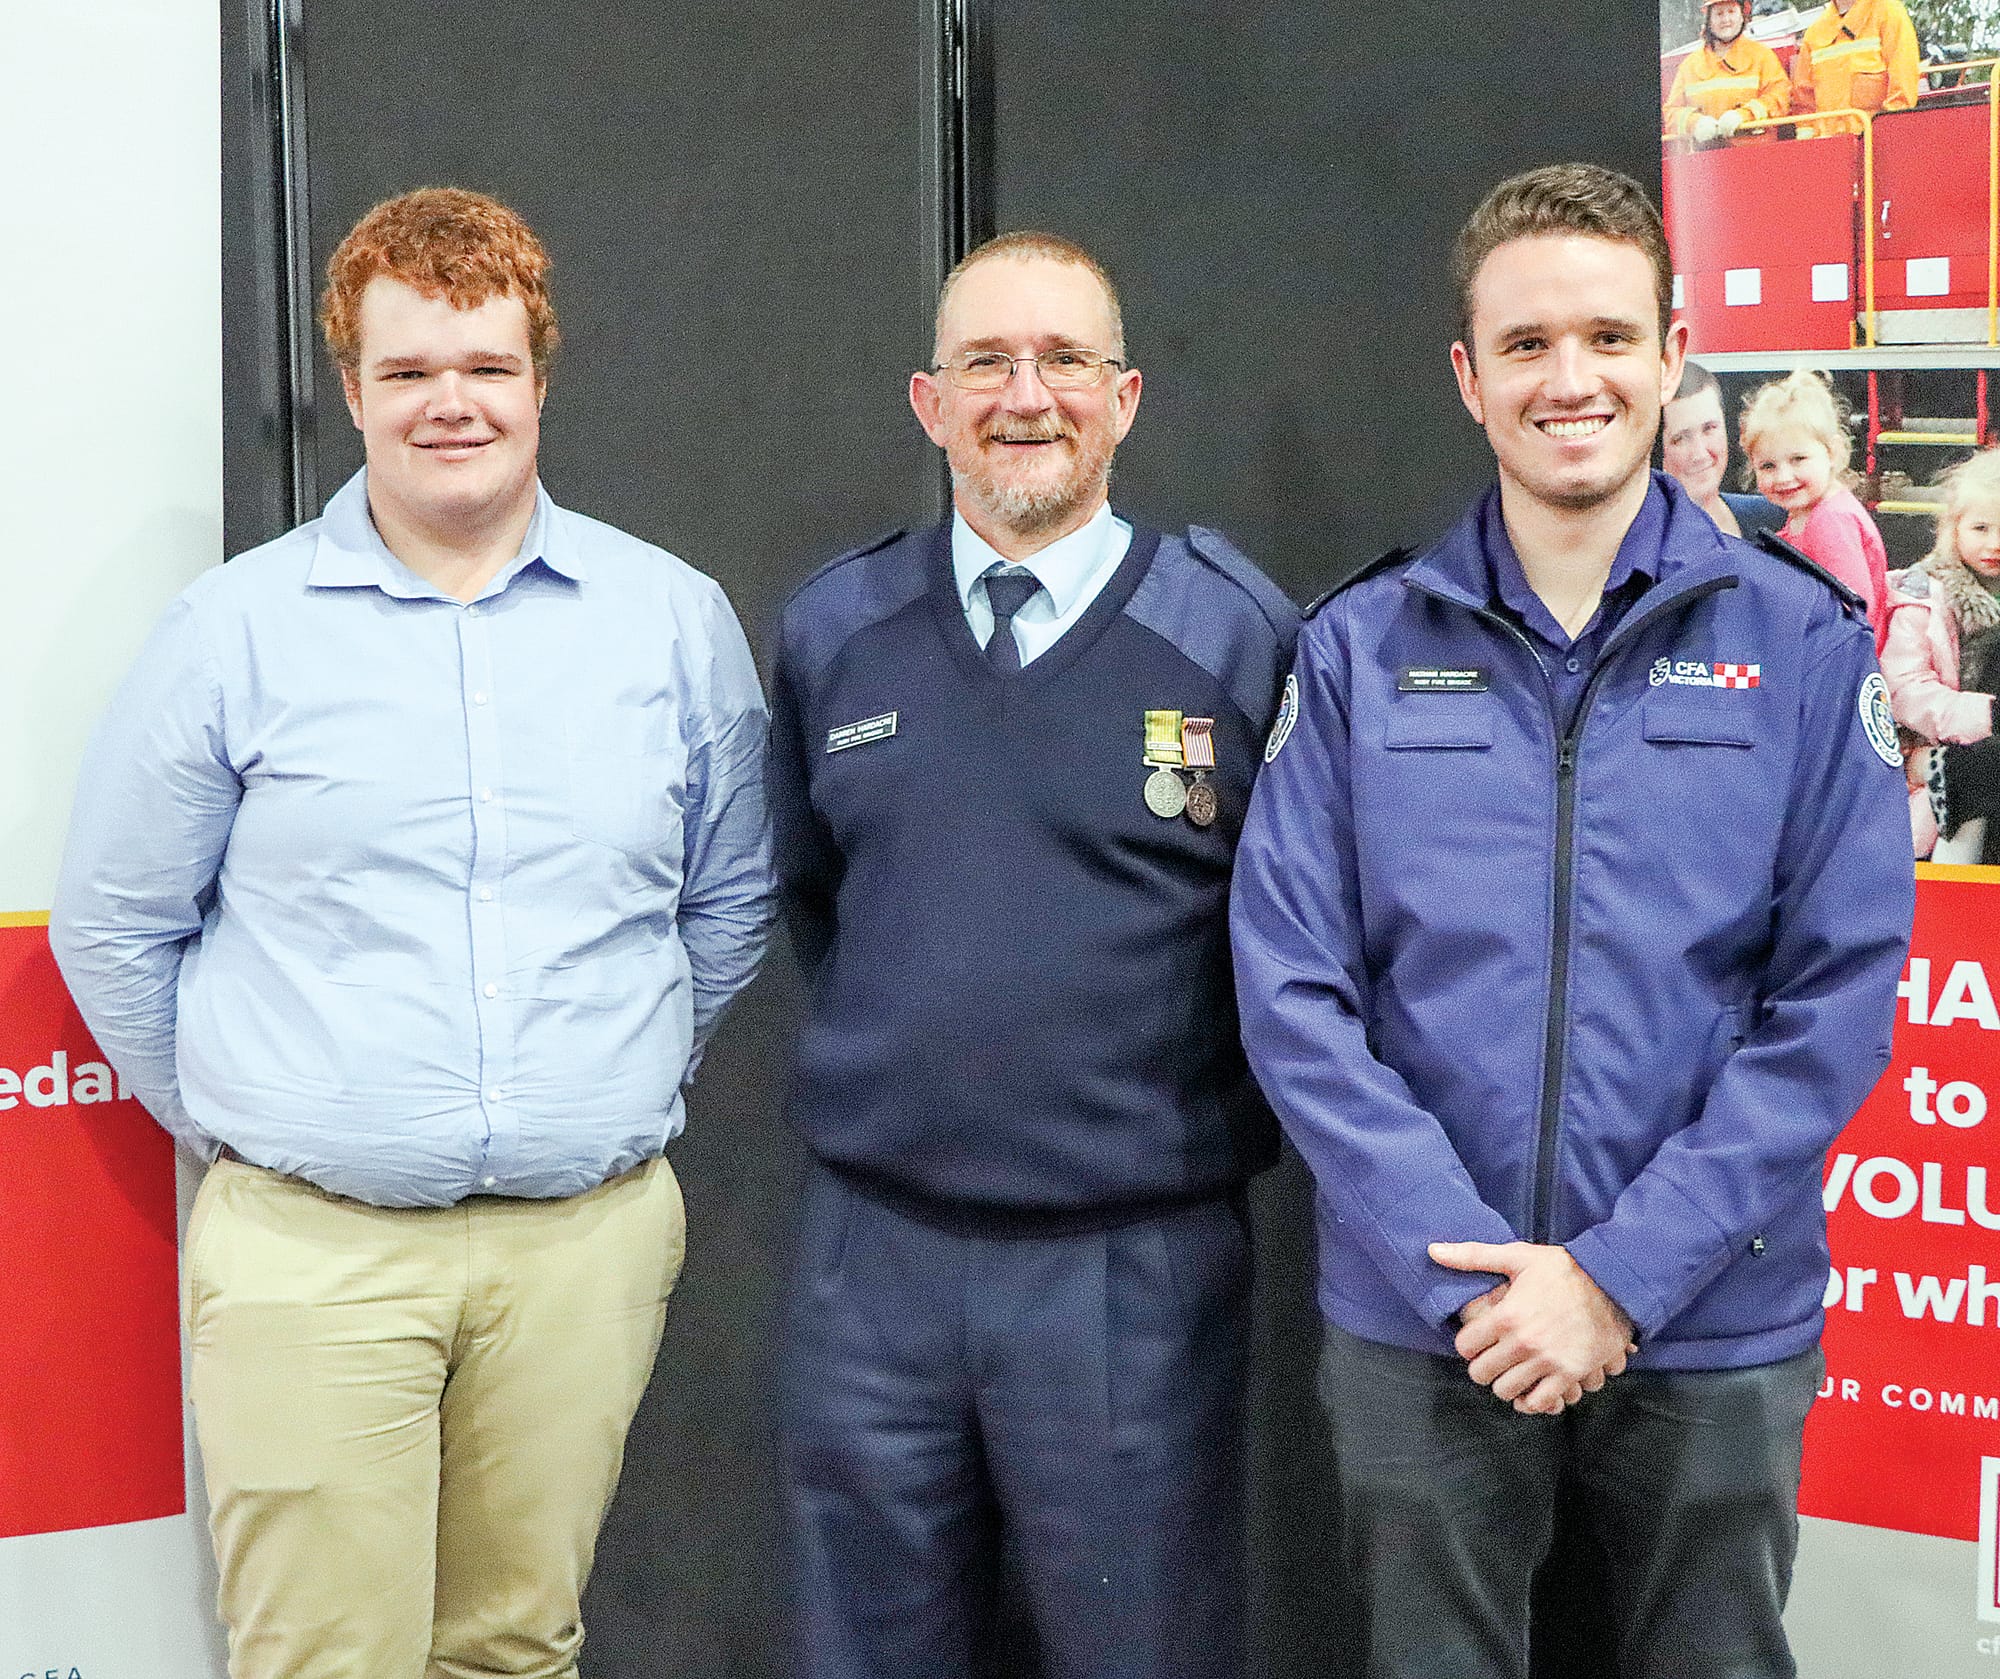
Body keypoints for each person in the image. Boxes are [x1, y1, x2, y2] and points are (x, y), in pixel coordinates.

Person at [50, 187, 773, 1677]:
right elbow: (117, 923)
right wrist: (261, 1124)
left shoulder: (669, 621)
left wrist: (605, 1069)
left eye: (487, 368)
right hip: (315, 1251)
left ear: (540, 379)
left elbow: (729, 898)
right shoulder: (234, 632)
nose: (454, 403)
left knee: (516, 1647)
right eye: (411, 371)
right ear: (353, 388)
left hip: (583, 1246)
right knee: (322, 1656)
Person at [1230, 163, 1914, 1679]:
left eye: (1609, 335)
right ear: (1470, 378)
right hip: (1432, 1331)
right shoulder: (1359, 648)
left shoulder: (1799, 643)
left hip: (1711, 1316)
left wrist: (1617, 1274)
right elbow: (1291, 987)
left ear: (1674, 356)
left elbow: (1838, 996)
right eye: (1528, 344)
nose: (1572, 378)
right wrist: (1469, 1277)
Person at [768, 230, 1298, 1679]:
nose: (1027, 394)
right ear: (929, 403)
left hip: (1130, 1268)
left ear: (1124, 398)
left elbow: (1298, 943)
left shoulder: (1238, 638)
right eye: (985, 361)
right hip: (874, 1266)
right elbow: (820, 900)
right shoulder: (837, 629)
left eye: (1064, 359)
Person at [1883, 446, 2000, 858]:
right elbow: (1905, 688)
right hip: (1933, 753)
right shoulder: (1925, 594)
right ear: (1954, 528)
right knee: (1962, 815)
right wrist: (1985, 715)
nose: (1994, 544)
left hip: (1986, 751)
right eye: (1981, 528)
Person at [1742, 368, 1891, 648]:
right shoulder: (1807, 511)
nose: (1784, 477)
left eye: (1798, 459)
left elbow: (1855, 610)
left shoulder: (1829, 520)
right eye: (1768, 466)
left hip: (1839, 666)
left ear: (1832, 453)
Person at [1661, 360, 1781, 537]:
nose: (1700, 454)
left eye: (1709, 428)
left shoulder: (1775, 517)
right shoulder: (1646, 547)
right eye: (1681, 438)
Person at [1663, 0, 1791, 144]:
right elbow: (1671, 113)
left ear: (1742, 16)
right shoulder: (1690, 65)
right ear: (1709, 20)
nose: (1726, 20)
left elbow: (1780, 97)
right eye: (1719, 14)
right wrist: (1694, 123)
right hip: (1706, 160)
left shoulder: (1763, 57)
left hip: (1756, 157)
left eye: (1731, 12)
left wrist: (1744, 115)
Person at [1791, 0, 1921, 121]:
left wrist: (1889, 128)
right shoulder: (1815, 33)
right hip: (1831, 141)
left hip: (1876, 138)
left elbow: (1903, 80)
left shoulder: (1888, 12)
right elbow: (1804, 102)